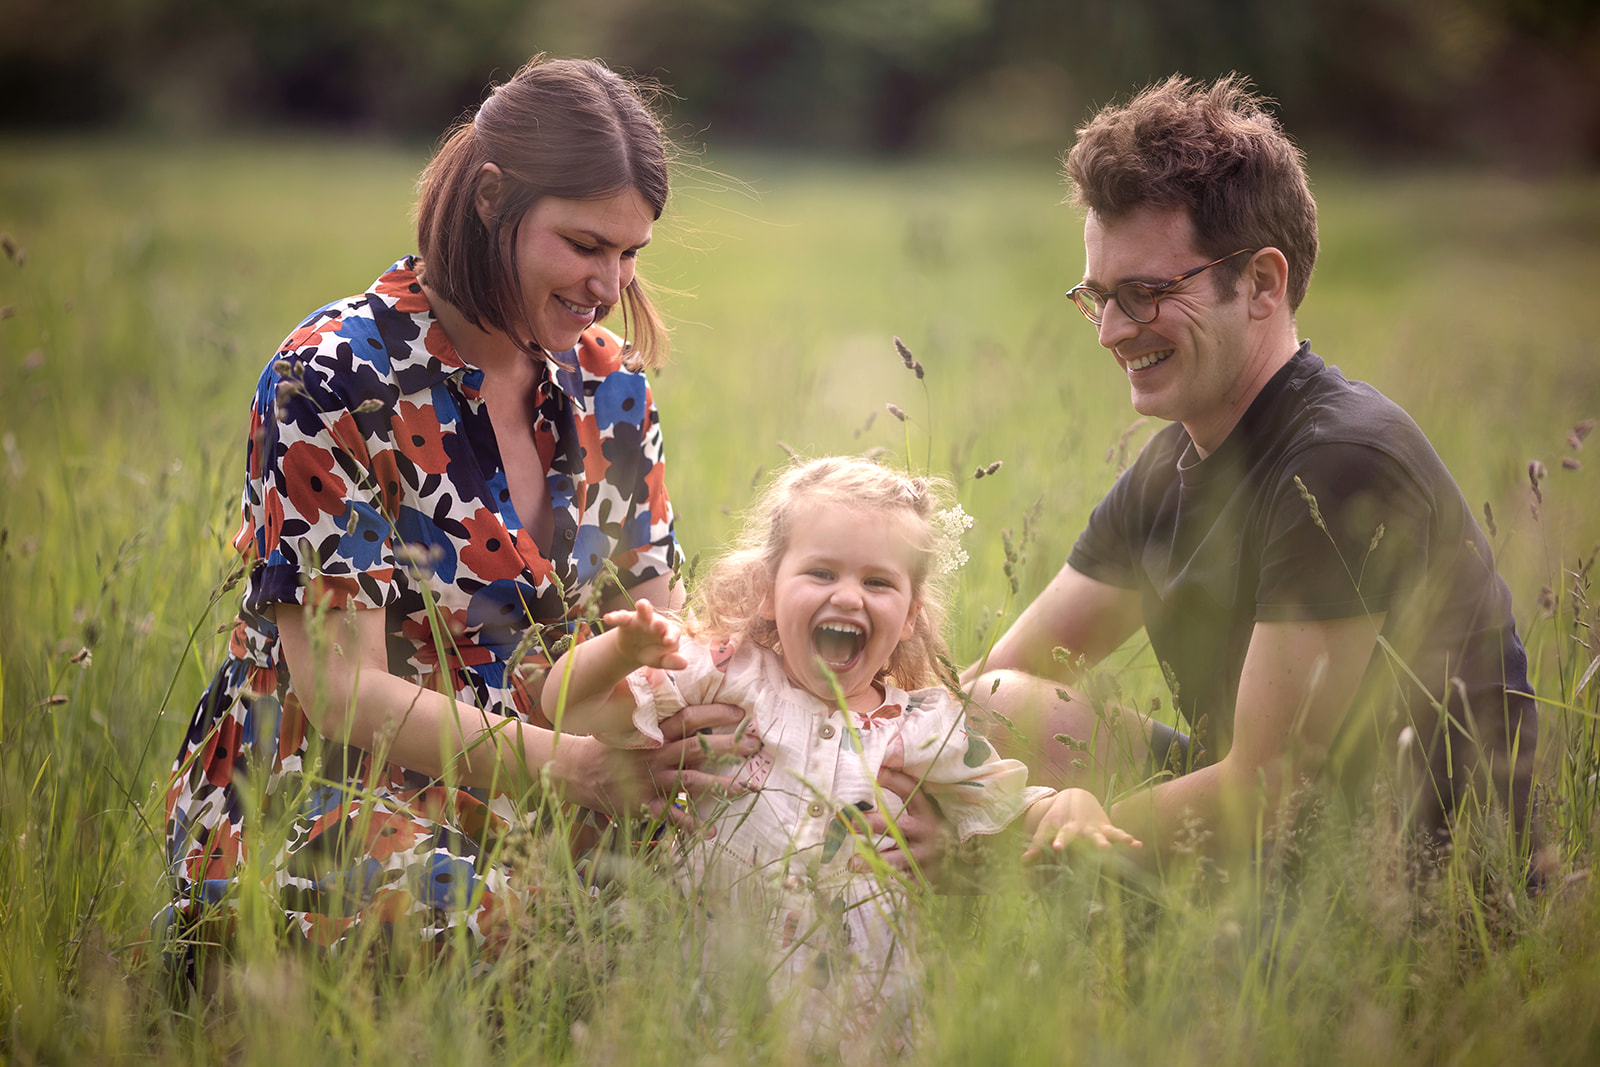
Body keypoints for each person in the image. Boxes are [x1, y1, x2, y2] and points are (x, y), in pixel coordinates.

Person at [159, 55, 765, 958]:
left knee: (752, 877)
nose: (611, 286)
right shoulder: (336, 376)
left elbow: (650, 625)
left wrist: (688, 722)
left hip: (558, 771)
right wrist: (582, 773)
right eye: (585, 245)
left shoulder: (610, 383)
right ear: (491, 198)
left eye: (631, 252)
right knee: (490, 920)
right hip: (337, 791)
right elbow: (339, 691)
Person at [975, 74, 1537, 869]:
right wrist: (798, 716)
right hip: (1269, 843)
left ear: (1263, 283)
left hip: (1393, 875)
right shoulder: (1174, 459)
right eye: (1098, 297)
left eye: (1144, 293)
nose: (1109, 332)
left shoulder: (1343, 459)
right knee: (995, 704)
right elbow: (1005, 674)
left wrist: (1012, 842)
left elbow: (1271, 785)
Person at [542, 456, 1139, 1052]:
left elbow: (1011, 804)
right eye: (822, 573)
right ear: (768, 593)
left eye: (877, 582)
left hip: (865, 1021)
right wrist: (620, 652)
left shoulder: (924, 728)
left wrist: (1072, 807)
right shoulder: (725, 677)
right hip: (713, 992)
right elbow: (565, 705)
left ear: (909, 617)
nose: (849, 596)